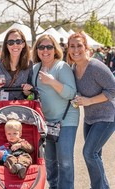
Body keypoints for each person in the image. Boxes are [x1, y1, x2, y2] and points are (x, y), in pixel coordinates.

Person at [67, 32, 115, 189]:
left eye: (79, 45)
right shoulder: (73, 69)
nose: (76, 49)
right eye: (72, 46)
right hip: (90, 119)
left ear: (86, 47)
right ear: (68, 49)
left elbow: (113, 90)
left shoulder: (95, 67)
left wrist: (89, 101)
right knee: (95, 155)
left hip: (107, 118)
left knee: (89, 153)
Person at [31, 34, 79, 189]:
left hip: (66, 120)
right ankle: (54, 186)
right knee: (50, 160)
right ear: (37, 50)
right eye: (41, 47)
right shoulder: (35, 68)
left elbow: (71, 94)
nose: (45, 50)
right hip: (46, 122)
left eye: (49, 47)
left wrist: (52, 82)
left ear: (55, 49)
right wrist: (29, 92)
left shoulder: (62, 67)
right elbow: (35, 94)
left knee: (64, 160)